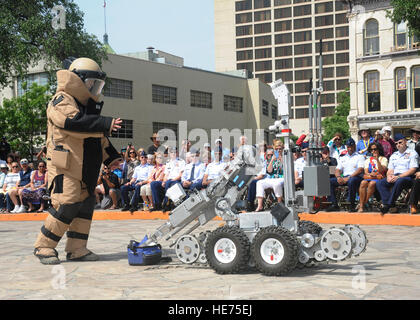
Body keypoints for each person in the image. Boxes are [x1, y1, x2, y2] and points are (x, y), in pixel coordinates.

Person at [33, 57, 122, 265]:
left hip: (85, 168)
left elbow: (97, 137)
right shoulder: (61, 100)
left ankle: (77, 249)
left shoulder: (86, 108)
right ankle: (43, 245)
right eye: (90, 83)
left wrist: (112, 158)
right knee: (66, 204)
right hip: (66, 167)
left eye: (96, 84)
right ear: (77, 80)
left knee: (85, 205)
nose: (93, 88)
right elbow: (73, 123)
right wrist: (104, 122)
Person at [376, 133, 418, 214]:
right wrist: (389, 176)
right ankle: (392, 206)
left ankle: (388, 205)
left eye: (400, 142)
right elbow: (390, 169)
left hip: (408, 177)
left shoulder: (412, 153)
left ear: (405, 142)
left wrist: (398, 176)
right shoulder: (394, 155)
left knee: (399, 181)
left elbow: (413, 169)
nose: (398, 145)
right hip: (395, 176)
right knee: (380, 183)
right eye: (396, 143)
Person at [326, 138, 365, 212]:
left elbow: (360, 170)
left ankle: (351, 204)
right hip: (344, 177)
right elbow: (337, 170)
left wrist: (349, 177)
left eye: (351, 146)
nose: (349, 148)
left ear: (354, 146)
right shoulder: (343, 157)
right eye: (348, 147)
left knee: (352, 181)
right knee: (330, 181)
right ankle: (334, 204)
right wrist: (338, 177)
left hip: (356, 177)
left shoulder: (359, 156)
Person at [150, 147, 185, 211]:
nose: (173, 153)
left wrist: (173, 180)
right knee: (153, 183)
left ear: (177, 153)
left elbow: (181, 174)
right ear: (169, 154)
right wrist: (164, 181)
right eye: (172, 152)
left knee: (168, 183)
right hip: (168, 181)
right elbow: (166, 174)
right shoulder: (168, 162)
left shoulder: (181, 161)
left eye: (175, 152)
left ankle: (166, 204)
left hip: (177, 180)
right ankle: (157, 205)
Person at [358, 143, 388, 212]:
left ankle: (363, 203)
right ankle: (362, 205)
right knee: (363, 183)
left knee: (372, 183)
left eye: (375, 149)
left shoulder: (383, 159)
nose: (373, 151)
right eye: (371, 149)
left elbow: (382, 170)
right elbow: (366, 171)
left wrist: (377, 160)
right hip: (370, 177)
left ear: (378, 149)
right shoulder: (368, 160)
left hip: (380, 177)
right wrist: (370, 174)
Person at [255, 147, 284, 212]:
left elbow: (284, 168)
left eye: (271, 155)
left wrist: (280, 159)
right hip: (272, 178)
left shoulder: (283, 158)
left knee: (277, 184)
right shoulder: (268, 161)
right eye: (268, 155)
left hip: (281, 177)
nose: (270, 156)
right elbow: (269, 171)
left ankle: (280, 203)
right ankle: (260, 206)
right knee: (259, 183)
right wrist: (272, 160)